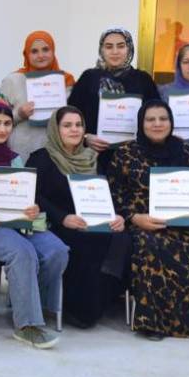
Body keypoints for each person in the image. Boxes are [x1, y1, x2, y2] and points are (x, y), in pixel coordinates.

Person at [107, 100, 189, 340]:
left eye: (163, 119)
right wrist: (134, 217)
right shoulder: (125, 154)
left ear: (171, 122)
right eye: (150, 119)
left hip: (184, 223)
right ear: (141, 123)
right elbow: (114, 194)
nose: (157, 124)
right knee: (151, 247)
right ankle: (154, 323)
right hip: (146, 224)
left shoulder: (187, 152)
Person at [0, 103, 68, 348]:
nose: (2, 129)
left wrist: (32, 208)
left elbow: (25, 196)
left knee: (57, 251)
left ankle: (27, 302)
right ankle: (27, 326)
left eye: (7, 123)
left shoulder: (14, 158)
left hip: (16, 224)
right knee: (22, 251)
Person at [25, 107, 129, 328]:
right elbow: (33, 195)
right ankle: (77, 308)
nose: (74, 129)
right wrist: (62, 217)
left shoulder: (92, 158)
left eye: (79, 125)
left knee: (121, 239)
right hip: (55, 224)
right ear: (56, 129)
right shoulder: (41, 158)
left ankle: (102, 300)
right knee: (85, 241)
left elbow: (104, 193)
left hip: (91, 221)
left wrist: (116, 216)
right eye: (67, 125)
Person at [68, 28, 160, 162]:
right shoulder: (89, 78)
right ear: (101, 50)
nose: (115, 52)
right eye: (109, 46)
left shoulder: (143, 79)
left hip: (135, 157)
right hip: (93, 157)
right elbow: (70, 114)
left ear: (129, 48)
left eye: (121, 46)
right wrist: (85, 138)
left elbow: (156, 115)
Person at [0, 31, 76, 159]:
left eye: (45, 49)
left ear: (53, 51)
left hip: (57, 153)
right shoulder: (12, 81)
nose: (40, 55)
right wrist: (19, 114)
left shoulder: (66, 81)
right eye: (34, 51)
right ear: (26, 55)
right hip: (21, 152)